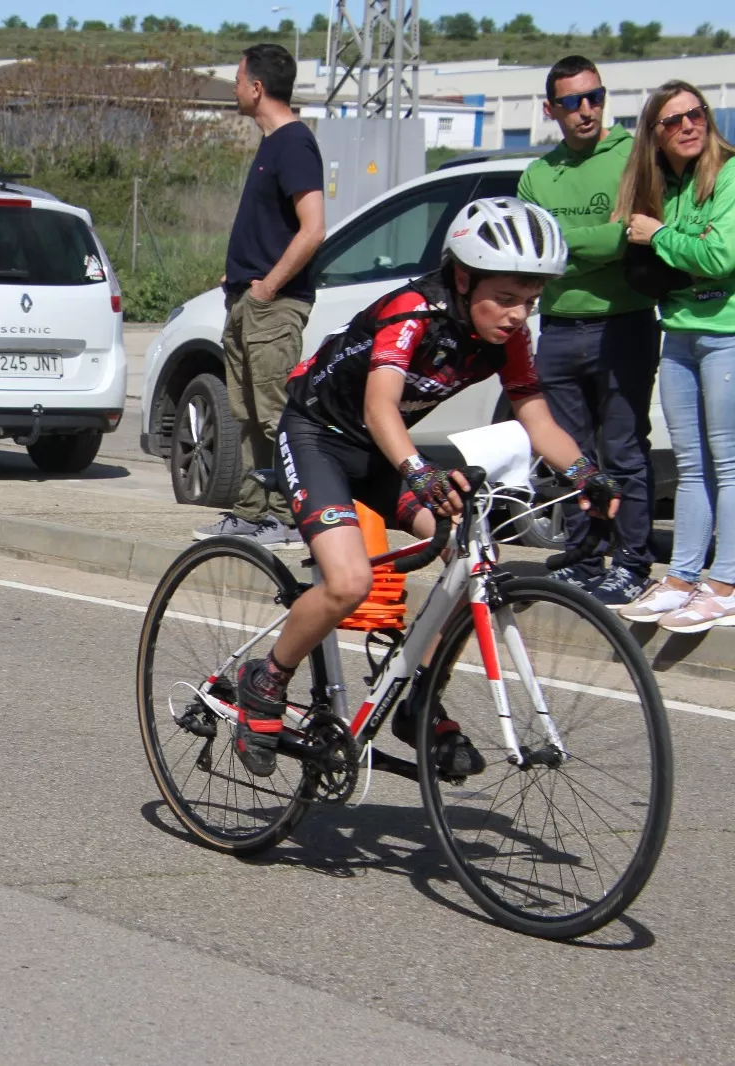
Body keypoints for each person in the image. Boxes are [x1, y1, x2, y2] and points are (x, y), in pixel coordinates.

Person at [229, 198, 619, 780]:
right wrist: (419, 470)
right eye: (505, 298)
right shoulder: (412, 311)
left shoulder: (507, 337)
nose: (517, 316)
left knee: (473, 555)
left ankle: (419, 698)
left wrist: (586, 473)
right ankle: (265, 681)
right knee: (350, 582)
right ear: (463, 279)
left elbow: (536, 416)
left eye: (530, 302)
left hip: (382, 449)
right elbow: (379, 406)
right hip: (318, 436)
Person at [516, 56, 660, 607]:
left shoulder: (632, 156)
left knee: (623, 450)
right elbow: (537, 251)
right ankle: (582, 559)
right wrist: (598, 239)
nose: (586, 110)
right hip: (557, 327)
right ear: (550, 109)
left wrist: (569, 240)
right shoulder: (537, 175)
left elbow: (631, 238)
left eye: (594, 97)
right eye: (572, 101)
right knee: (571, 455)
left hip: (623, 323)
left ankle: (632, 563)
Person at [195, 43, 326, 548]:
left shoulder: (294, 144)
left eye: (237, 80)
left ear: (257, 87)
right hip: (247, 304)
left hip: (272, 307)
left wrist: (267, 288)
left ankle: (289, 518)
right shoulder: (272, 143)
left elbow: (313, 229)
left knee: (274, 416)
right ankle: (253, 512)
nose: (233, 88)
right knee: (247, 415)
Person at [617, 82, 735, 633]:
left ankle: (725, 581)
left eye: (695, 114)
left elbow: (721, 255)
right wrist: (667, 244)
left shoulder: (730, 174)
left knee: (728, 464)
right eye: (672, 120)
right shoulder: (663, 186)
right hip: (680, 332)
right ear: (655, 135)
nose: (688, 125)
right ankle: (684, 576)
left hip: (726, 333)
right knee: (691, 465)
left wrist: (661, 235)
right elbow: (648, 257)